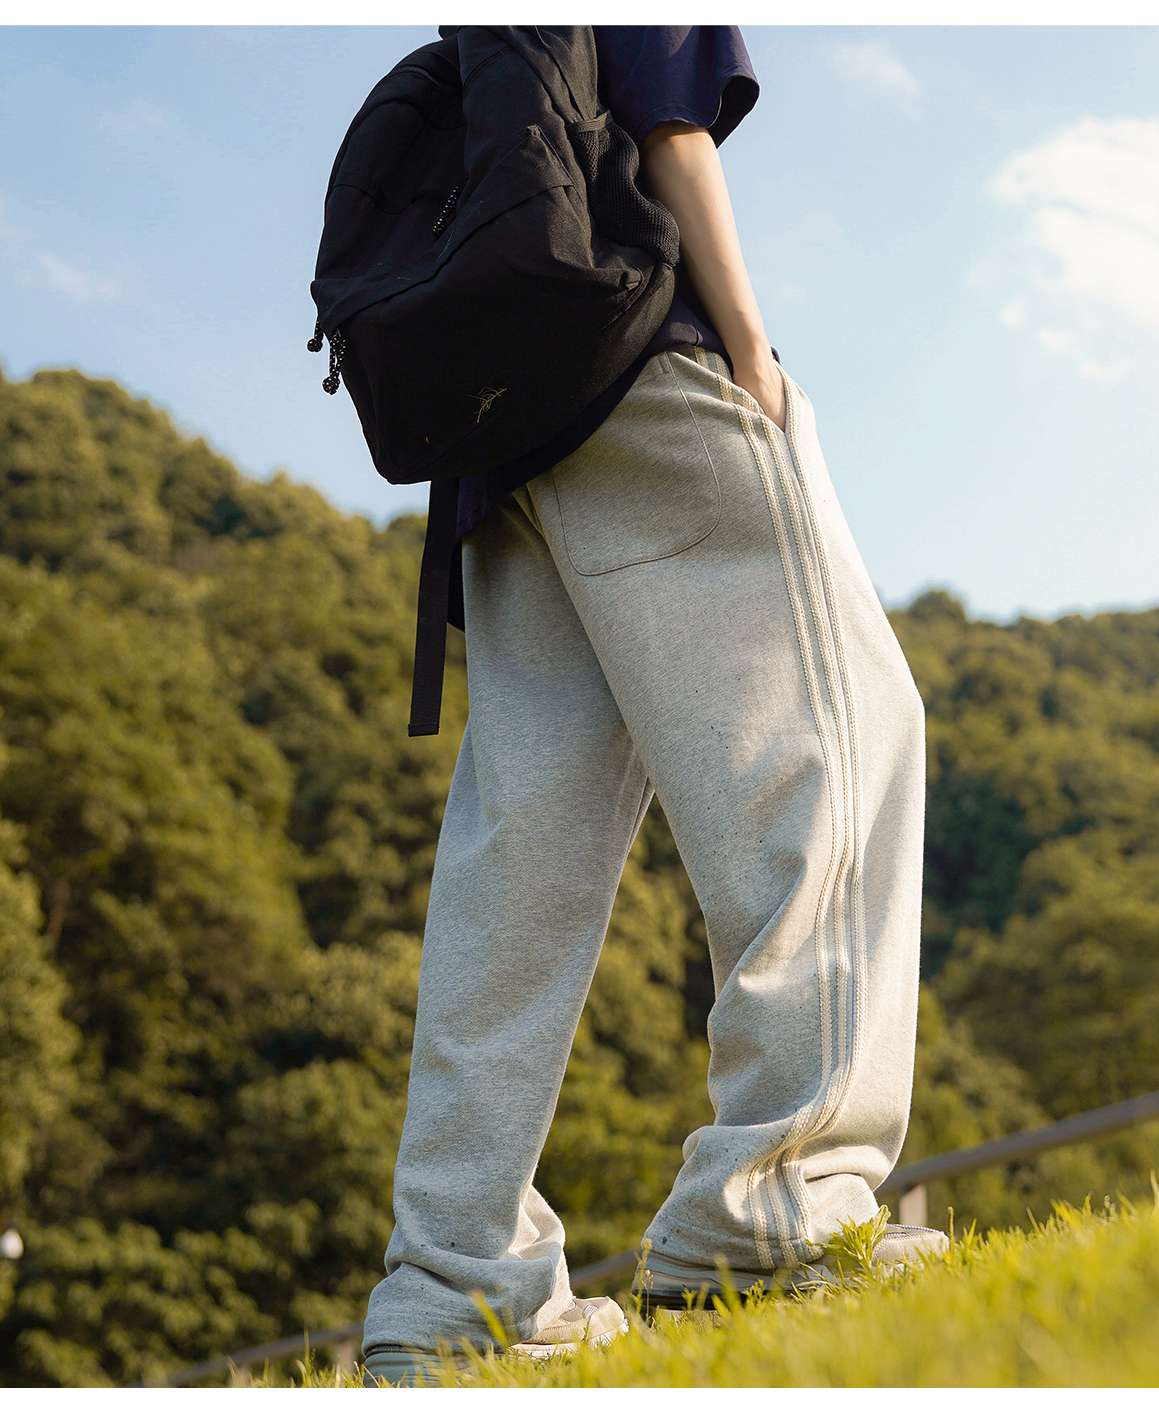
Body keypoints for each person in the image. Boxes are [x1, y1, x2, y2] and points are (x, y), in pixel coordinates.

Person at [360, 23, 944, 1384]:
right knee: (842, 737)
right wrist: (752, 354)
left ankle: (452, 1288)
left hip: (501, 450)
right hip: (642, 364)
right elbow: (666, 121)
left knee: (525, 856)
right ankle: (777, 1205)